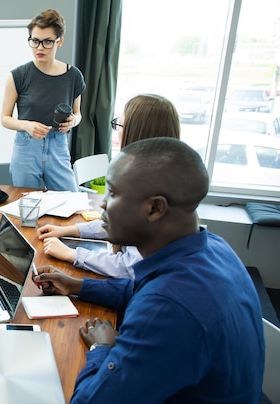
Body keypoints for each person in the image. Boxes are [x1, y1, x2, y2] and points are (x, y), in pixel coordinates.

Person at [34, 137, 264, 404]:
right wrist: (77, 285)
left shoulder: (168, 308)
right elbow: (141, 290)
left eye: (113, 194)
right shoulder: (215, 246)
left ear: (155, 208)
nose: (103, 205)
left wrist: (101, 347)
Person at [37, 94, 181, 278]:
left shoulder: (148, 187)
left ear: (135, 132)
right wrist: (69, 230)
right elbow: (120, 224)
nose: (104, 204)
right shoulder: (169, 173)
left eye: (120, 125)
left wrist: (72, 254)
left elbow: (130, 267)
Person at [1, 8, 85, 191]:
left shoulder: (73, 76)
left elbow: (78, 113)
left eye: (47, 41)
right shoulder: (18, 75)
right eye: (35, 41)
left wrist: (73, 121)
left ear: (59, 41)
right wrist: (27, 125)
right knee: (28, 206)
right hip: (26, 146)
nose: (39, 47)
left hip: (58, 145)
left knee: (69, 201)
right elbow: (5, 119)